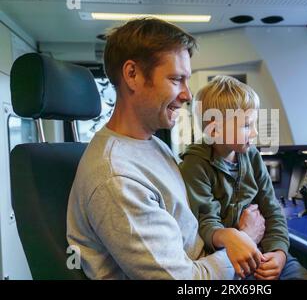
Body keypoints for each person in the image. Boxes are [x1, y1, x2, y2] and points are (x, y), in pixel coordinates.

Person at [66, 18, 265, 280]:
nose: (188, 95)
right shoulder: (115, 178)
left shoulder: (152, 144)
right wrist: (244, 238)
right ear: (132, 75)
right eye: (176, 79)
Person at [180, 76, 307, 280]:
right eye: (246, 126)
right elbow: (206, 222)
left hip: (265, 251)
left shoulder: (252, 156)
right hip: (232, 259)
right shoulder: (195, 165)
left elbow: (271, 208)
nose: (255, 132)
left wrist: (279, 253)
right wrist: (235, 238)